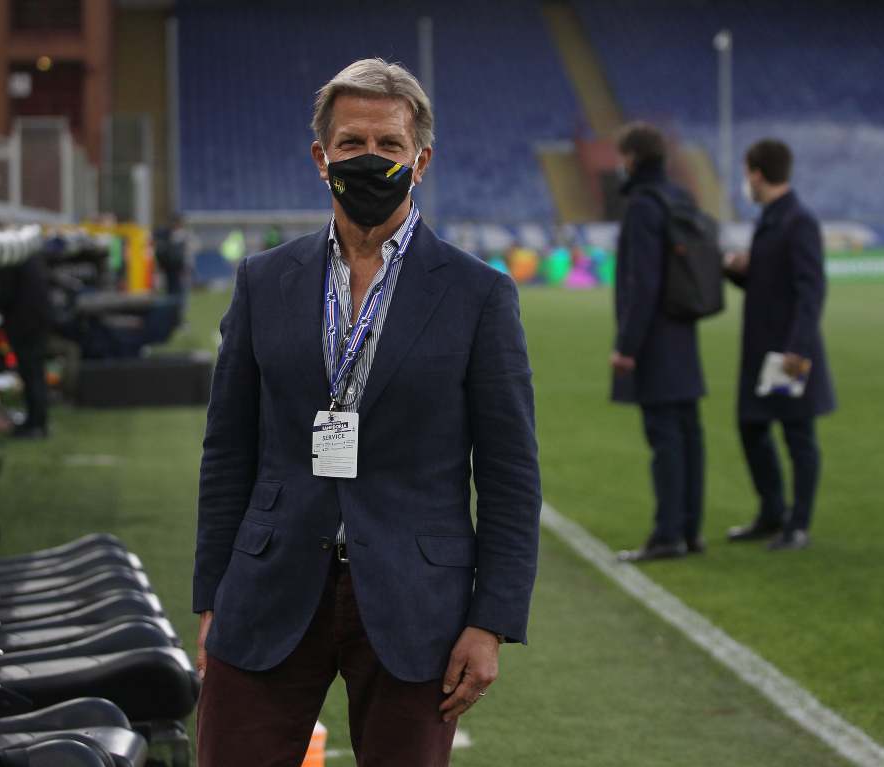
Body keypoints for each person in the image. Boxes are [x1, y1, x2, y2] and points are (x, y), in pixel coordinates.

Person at [193, 58, 541, 766]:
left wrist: (492, 621)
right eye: (352, 142)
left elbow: (509, 471)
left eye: (389, 144)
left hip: (417, 602)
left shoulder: (477, 294)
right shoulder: (264, 280)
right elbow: (228, 448)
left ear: (421, 161)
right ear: (321, 157)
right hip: (269, 583)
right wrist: (211, 595)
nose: (369, 158)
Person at [725, 139, 836, 551]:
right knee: (751, 426)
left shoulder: (798, 221)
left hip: (789, 351)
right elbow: (770, 284)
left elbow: (811, 289)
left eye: (746, 173)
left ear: (757, 174)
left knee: (798, 435)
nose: (745, 182)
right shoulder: (772, 218)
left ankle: (798, 524)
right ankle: (772, 513)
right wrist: (738, 271)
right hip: (762, 350)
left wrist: (798, 347)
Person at [610, 122, 707, 563]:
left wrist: (627, 346)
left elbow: (643, 282)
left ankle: (668, 534)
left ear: (632, 158)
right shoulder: (680, 198)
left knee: (665, 438)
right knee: (688, 434)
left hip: (655, 337)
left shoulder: (643, 206)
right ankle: (689, 530)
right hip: (684, 328)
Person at [0, 254, 52, 438]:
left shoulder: (10, 260)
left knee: (31, 375)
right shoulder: (30, 256)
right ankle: (38, 421)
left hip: (25, 325)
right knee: (36, 374)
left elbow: (6, 295)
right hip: (38, 321)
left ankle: (34, 424)